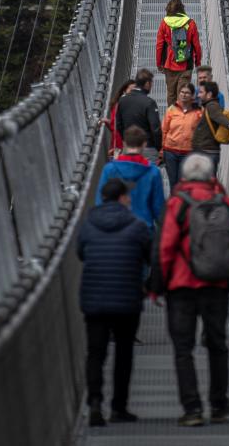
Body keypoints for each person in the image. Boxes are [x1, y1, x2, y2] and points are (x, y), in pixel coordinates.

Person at [158, 155, 229, 427]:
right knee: (217, 344)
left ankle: (193, 409)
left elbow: (165, 248)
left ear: (185, 177)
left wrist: (160, 284)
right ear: (211, 176)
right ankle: (219, 404)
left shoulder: (177, 203)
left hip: (181, 286)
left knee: (183, 348)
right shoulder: (225, 203)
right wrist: (225, 270)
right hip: (217, 287)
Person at [78, 178, 151, 426]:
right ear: (122, 198)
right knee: (123, 353)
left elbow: (80, 253)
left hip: (94, 298)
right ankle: (119, 407)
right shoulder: (137, 225)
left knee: (95, 353)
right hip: (127, 299)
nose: (129, 199)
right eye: (127, 196)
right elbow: (150, 255)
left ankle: (95, 402)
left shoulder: (88, 224)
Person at [97, 126, 166, 231]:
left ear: (124, 143)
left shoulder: (110, 169)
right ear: (144, 144)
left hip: (116, 227)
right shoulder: (153, 171)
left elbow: (100, 200)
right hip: (144, 228)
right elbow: (158, 207)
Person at [156, 0, 201, 108]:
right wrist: (198, 62)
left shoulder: (164, 23)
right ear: (182, 9)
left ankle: (172, 119)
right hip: (186, 64)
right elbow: (196, 46)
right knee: (183, 95)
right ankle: (182, 118)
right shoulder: (190, 23)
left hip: (169, 64)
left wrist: (159, 63)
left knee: (171, 94)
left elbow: (159, 45)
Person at [115, 69, 162, 163]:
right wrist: (158, 147)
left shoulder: (123, 100)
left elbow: (119, 124)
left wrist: (126, 140)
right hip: (148, 148)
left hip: (129, 147)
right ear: (147, 84)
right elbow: (155, 128)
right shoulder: (149, 103)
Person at [161, 82, 200, 190]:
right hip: (170, 152)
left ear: (192, 96)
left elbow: (201, 133)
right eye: (182, 92)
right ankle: (174, 205)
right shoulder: (171, 110)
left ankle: (181, 204)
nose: (183, 95)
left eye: (187, 93)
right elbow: (164, 130)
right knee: (173, 182)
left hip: (188, 152)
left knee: (183, 183)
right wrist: (161, 150)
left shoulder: (198, 112)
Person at [191, 81, 229, 173]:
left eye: (201, 92)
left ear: (209, 94)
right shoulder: (210, 106)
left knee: (206, 183)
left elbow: (219, 116)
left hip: (207, 153)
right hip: (207, 152)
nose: (198, 95)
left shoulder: (212, 106)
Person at [102, 79, 136, 156]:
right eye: (131, 90)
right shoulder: (121, 105)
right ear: (124, 91)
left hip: (123, 144)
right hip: (122, 145)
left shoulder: (119, 103)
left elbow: (115, 125)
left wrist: (109, 122)